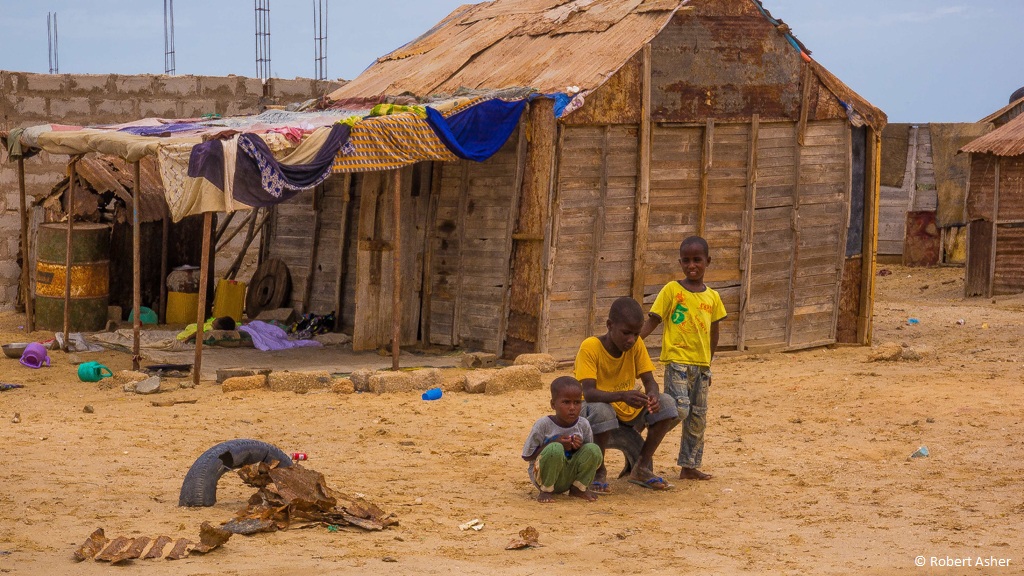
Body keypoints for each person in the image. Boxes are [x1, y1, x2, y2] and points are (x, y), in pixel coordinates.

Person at [641, 236, 727, 481]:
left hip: (701, 365)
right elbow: (653, 320)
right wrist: (632, 344)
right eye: (686, 260)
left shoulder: (713, 297)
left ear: (707, 261)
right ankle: (645, 439)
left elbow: (714, 333)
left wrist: (708, 365)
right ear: (680, 262)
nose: (692, 265)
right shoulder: (671, 290)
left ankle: (689, 466)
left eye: (697, 260)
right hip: (676, 361)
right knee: (679, 410)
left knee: (697, 417)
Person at [575, 297, 680, 492]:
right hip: (591, 414)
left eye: (636, 334)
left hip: (624, 410)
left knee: (667, 404)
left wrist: (653, 396)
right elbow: (588, 393)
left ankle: (641, 467)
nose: (631, 339)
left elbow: (650, 381)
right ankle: (599, 470)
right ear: (609, 325)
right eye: (626, 333)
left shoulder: (636, 345)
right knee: (602, 410)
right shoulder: (590, 347)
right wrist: (622, 396)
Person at [522, 376, 603, 503]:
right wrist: (553, 443)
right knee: (555, 449)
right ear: (553, 404)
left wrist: (578, 447)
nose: (572, 407)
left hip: (569, 475)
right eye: (566, 402)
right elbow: (527, 456)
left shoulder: (583, 424)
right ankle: (546, 491)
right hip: (544, 477)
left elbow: (589, 457)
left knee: (594, 449)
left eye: (577, 402)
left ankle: (578, 488)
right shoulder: (543, 425)